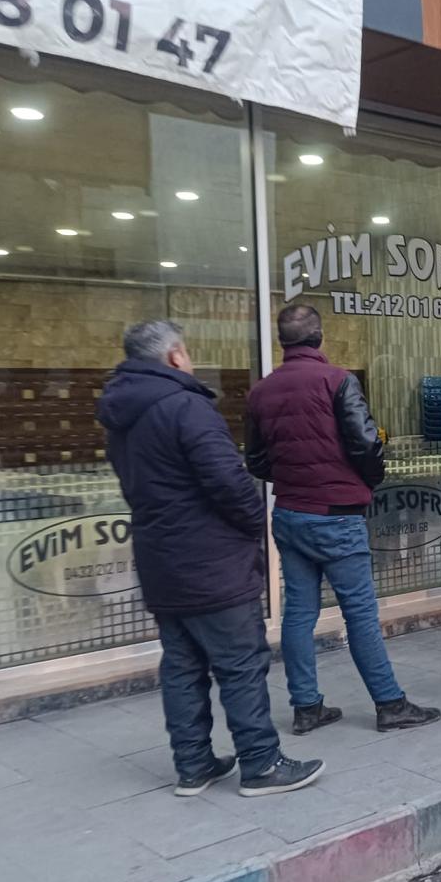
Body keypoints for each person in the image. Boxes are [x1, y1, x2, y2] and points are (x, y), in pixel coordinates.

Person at [99, 320, 322, 798]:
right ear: (176, 355)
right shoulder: (186, 406)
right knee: (240, 662)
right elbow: (230, 482)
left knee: (181, 664)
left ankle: (193, 764)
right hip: (210, 560)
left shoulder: (120, 414)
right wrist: (250, 528)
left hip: (159, 557)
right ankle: (261, 763)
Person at [246, 305, 440, 736]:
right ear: (318, 337)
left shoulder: (261, 391)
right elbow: (367, 445)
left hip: (290, 513)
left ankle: (306, 707)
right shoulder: (337, 381)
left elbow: (256, 460)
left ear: (283, 342)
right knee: (360, 613)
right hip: (336, 515)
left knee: (298, 612)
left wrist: (295, 476)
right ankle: (390, 703)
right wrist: (364, 483)